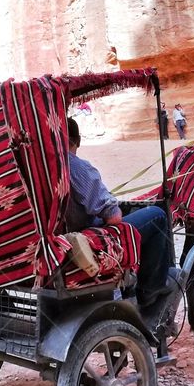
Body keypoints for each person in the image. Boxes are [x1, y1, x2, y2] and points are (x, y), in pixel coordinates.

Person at [65, 117, 175, 308]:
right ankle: (151, 288)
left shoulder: (39, 166)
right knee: (157, 215)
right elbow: (114, 217)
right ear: (78, 141)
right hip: (83, 234)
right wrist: (111, 204)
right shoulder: (76, 166)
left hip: (57, 234)